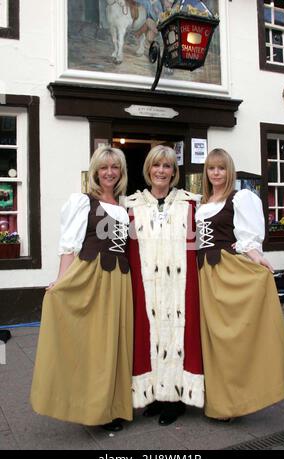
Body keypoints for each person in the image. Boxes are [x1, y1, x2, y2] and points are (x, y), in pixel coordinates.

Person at [30, 146, 133, 431]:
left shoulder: (125, 208)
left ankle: (116, 405)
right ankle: (96, 409)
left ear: (121, 172)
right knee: (97, 345)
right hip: (93, 276)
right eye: (104, 168)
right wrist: (61, 281)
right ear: (95, 172)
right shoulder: (83, 202)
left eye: (115, 167)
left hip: (121, 280)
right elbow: (70, 246)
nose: (109, 173)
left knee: (116, 344)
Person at [196, 148, 284, 420]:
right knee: (212, 339)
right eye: (211, 168)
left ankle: (237, 400)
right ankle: (219, 400)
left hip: (227, 272)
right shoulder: (202, 203)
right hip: (203, 275)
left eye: (221, 168)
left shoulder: (239, 198)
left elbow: (247, 239)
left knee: (231, 337)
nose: (216, 173)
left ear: (229, 171)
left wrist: (258, 259)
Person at [126, 145, 204, 426]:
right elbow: (116, 247)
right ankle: (158, 394)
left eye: (167, 166)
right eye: (157, 165)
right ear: (148, 170)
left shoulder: (191, 204)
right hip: (147, 286)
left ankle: (176, 399)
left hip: (182, 286)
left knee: (181, 337)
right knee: (150, 335)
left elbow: (205, 242)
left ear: (174, 172)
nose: (161, 171)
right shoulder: (131, 206)